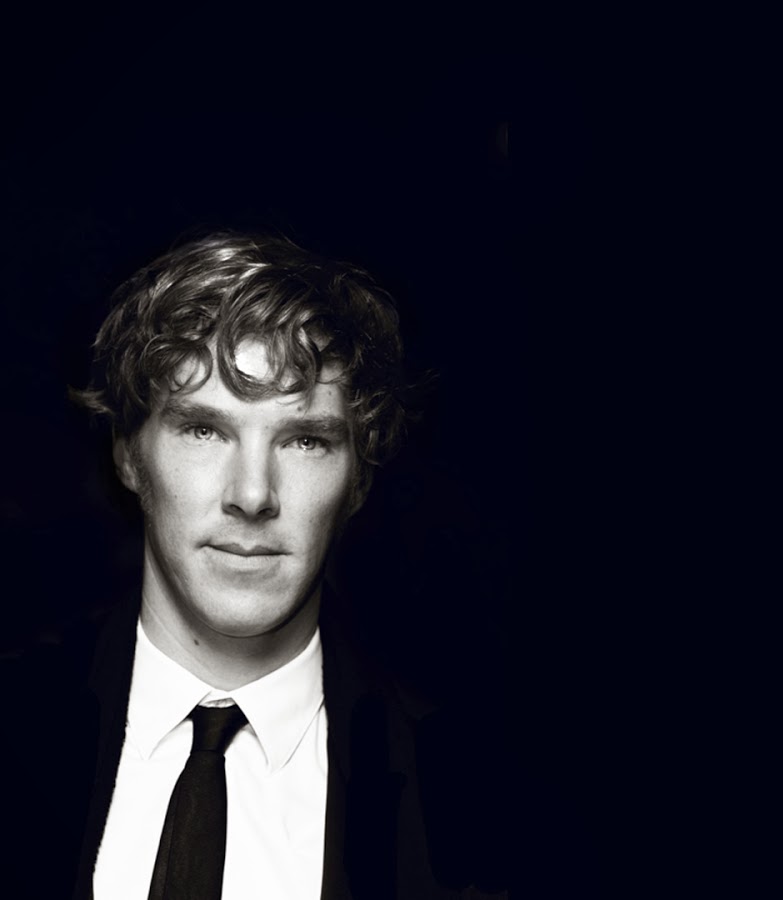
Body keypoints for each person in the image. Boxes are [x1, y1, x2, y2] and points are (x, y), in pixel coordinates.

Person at [0, 231, 520, 899]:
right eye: (204, 429)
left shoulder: (477, 802)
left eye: (305, 440)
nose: (252, 495)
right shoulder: (17, 728)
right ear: (129, 455)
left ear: (358, 480)